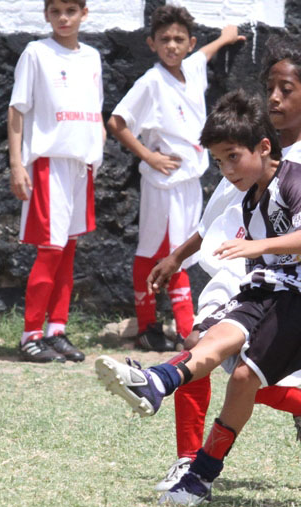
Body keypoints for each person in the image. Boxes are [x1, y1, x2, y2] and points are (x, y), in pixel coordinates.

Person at [95, 90, 301, 507]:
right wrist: (181, 257)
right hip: (268, 284)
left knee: (242, 380)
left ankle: (201, 475)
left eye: (232, 157)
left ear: (263, 147)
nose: (225, 168)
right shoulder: (248, 193)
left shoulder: (297, 177)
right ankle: (156, 382)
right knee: (208, 339)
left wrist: (256, 247)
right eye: (218, 161)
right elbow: (214, 227)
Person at [147, 44, 301, 493]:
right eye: (268, 87)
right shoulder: (248, 145)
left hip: (294, 284)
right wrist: (177, 257)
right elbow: (215, 213)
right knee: (198, 344)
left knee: (245, 375)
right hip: (237, 267)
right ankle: (188, 460)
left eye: (284, 89)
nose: (273, 97)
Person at [106, 5, 244, 352]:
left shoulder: (192, 68)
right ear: (152, 43)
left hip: (190, 181)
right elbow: (117, 122)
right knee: (160, 252)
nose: (171, 45)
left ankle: (179, 327)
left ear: (189, 42)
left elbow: (204, 54)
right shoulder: (151, 81)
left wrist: (225, 38)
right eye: (164, 39)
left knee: (183, 249)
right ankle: (166, 326)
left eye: (178, 39)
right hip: (163, 183)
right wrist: (149, 156)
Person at [8, 0, 105, 363]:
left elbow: (95, 111)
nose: (63, 18)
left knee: (68, 252)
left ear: (84, 13)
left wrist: (97, 151)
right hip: (48, 163)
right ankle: (30, 334)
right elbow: (17, 110)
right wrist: (17, 164)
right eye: (56, 11)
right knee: (49, 251)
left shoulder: (92, 57)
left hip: (81, 165)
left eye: (71, 10)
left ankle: (56, 330)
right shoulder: (36, 53)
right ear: (46, 14)